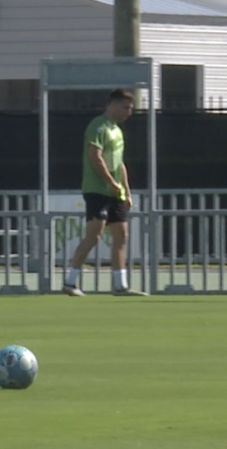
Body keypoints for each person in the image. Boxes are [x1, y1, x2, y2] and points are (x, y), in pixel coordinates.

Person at [62, 88, 148, 297]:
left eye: (131, 108)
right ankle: (70, 283)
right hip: (97, 190)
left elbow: (119, 163)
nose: (129, 112)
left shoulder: (117, 131)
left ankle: (120, 286)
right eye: (126, 107)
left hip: (115, 193)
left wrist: (126, 191)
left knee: (121, 236)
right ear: (113, 105)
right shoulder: (98, 126)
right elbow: (95, 156)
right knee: (94, 235)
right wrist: (110, 182)